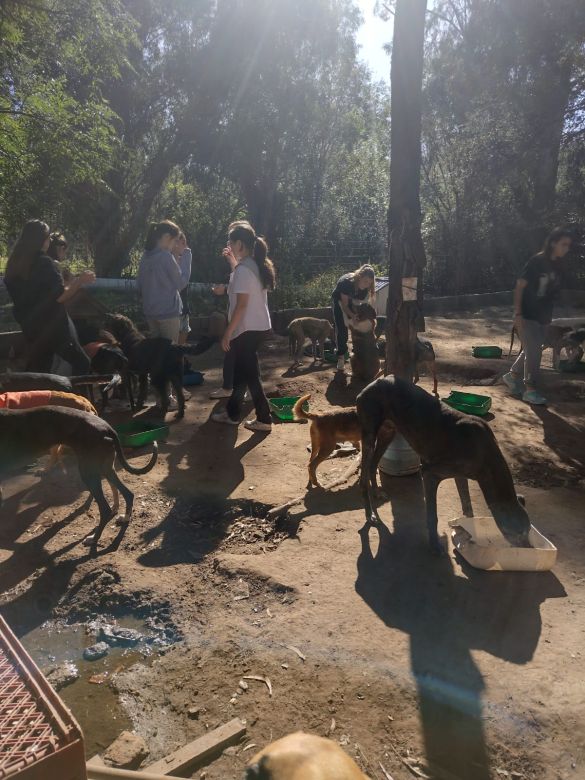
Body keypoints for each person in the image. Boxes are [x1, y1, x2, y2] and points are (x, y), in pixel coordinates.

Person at [4, 219, 95, 374]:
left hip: (31, 328)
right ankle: (77, 398)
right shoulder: (44, 263)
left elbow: (43, 293)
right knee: (82, 364)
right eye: (47, 238)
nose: (49, 241)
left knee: (41, 370)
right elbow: (60, 297)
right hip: (54, 327)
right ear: (40, 240)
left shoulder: (14, 264)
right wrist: (80, 281)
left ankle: (40, 397)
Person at [211, 221, 275, 432]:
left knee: (250, 376)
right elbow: (240, 281)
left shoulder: (245, 270)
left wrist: (227, 333)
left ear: (239, 244)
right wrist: (232, 261)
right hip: (257, 327)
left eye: (231, 241)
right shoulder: (253, 265)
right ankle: (232, 413)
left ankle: (264, 419)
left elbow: (241, 306)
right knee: (243, 373)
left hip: (247, 329)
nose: (228, 244)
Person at [502, 226, 572, 405]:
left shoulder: (559, 265)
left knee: (532, 350)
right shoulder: (536, 262)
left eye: (568, 245)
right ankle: (530, 390)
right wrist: (517, 313)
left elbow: (551, 293)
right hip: (526, 315)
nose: (566, 248)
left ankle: (512, 376)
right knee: (534, 352)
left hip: (544, 317)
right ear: (554, 242)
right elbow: (519, 287)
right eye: (563, 244)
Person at [331, 265, 376, 371]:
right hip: (339, 302)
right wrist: (351, 316)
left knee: (357, 326)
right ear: (359, 277)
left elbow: (359, 304)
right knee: (342, 329)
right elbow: (345, 305)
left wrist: (356, 318)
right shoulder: (346, 283)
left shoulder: (365, 289)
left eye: (369, 283)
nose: (367, 285)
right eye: (365, 281)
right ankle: (341, 357)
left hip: (352, 301)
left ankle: (358, 353)